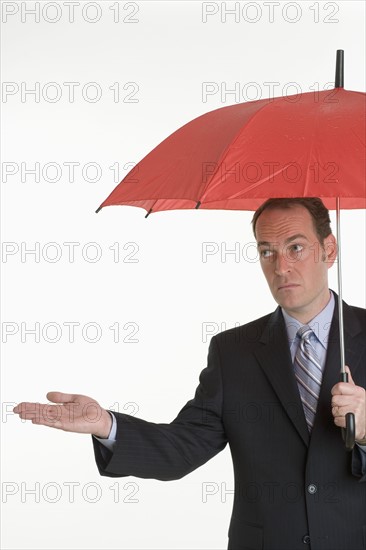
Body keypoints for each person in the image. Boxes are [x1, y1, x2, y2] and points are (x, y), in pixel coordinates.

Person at [14, 198, 366, 550]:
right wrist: (106, 424)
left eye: (296, 248)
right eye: (266, 252)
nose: (281, 267)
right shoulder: (234, 352)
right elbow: (183, 448)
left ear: (329, 250)